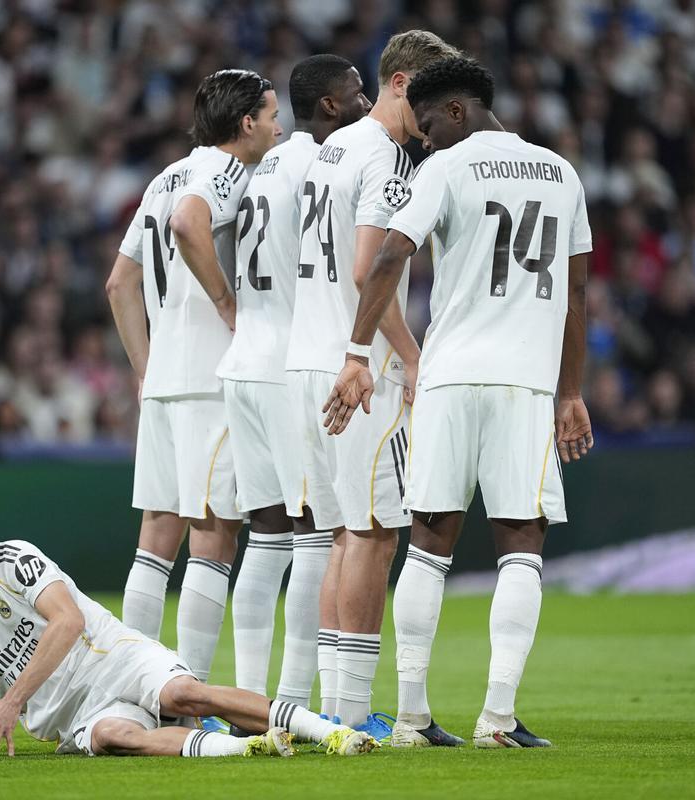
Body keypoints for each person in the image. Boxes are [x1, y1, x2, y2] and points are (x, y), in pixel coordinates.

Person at [321, 56, 595, 748]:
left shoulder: (448, 166)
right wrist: (571, 392)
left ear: (455, 111)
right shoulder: (562, 174)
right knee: (522, 547)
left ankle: (413, 716)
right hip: (523, 384)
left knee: (428, 546)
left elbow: (386, 258)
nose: (422, 143)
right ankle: (498, 718)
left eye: (426, 130)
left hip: (446, 378)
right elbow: (578, 295)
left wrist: (356, 353)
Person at [284, 30, 460, 745]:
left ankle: (335, 713)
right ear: (399, 84)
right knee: (373, 534)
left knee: (339, 538)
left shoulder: (331, 150)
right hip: (357, 371)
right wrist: (410, 357)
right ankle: (354, 716)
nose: (440, 114)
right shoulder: (386, 157)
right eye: (432, 97)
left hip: (305, 359)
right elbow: (369, 269)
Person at [0, 501, 378, 758]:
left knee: (185, 695)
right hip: (77, 716)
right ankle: (251, 746)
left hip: (113, 656)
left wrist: (11, 703)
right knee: (113, 737)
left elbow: (69, 621)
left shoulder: (11, 559)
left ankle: (326, 731)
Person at [105, 70, 281, 684]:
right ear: (246, 124)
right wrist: (227, 303)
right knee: (213, 535)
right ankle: (189, 693)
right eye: (271, 115)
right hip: (211, 376)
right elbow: (189, 225)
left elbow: (119, 284)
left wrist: (145, 369)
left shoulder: (163, 177)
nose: (279, 127)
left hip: (166, 381)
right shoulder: (225, 172)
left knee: (156, 537)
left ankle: (131, 686)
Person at [217, 54, 372, 711]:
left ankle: (253, 702)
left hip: (243, 363)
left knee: (269, 537)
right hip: (288, 365)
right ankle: (292, 705)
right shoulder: (318, 159)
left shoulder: (256, 168)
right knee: (319, 536)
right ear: (330, 107)